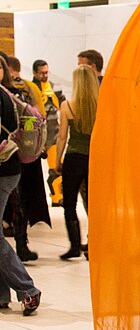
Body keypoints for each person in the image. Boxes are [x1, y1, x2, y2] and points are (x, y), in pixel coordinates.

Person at [0, 58, 42, 315]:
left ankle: (28, 290)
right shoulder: (8, 93)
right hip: (9, 168)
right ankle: (2, 294)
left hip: (3, 170)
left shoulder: (4, 95)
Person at [0, 55, 50, 262]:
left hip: (9, 156)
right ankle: (21, 244)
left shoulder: (9, 93)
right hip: (21, 153)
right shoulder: (24, 89)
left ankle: (20, 251)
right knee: (19, 200)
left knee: (17, 200)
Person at [55, 64, 98, 260]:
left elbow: (62, 137)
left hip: (73, 159)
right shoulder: (101, 106)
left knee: (70, 203)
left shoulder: (67, 106)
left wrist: (57, 161)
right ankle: (92, 245)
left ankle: (74, 245)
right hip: (93, 159)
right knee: (93, 204)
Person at [32, 59, 65, 207]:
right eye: (42, 73)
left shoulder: (54, 88)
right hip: (34, 137)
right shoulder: (30, 89)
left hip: (52, 135)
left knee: (56, 169)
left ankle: (57, 198)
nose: (45, 75)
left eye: (46, 72)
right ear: (34, 73)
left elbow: (63, 106)